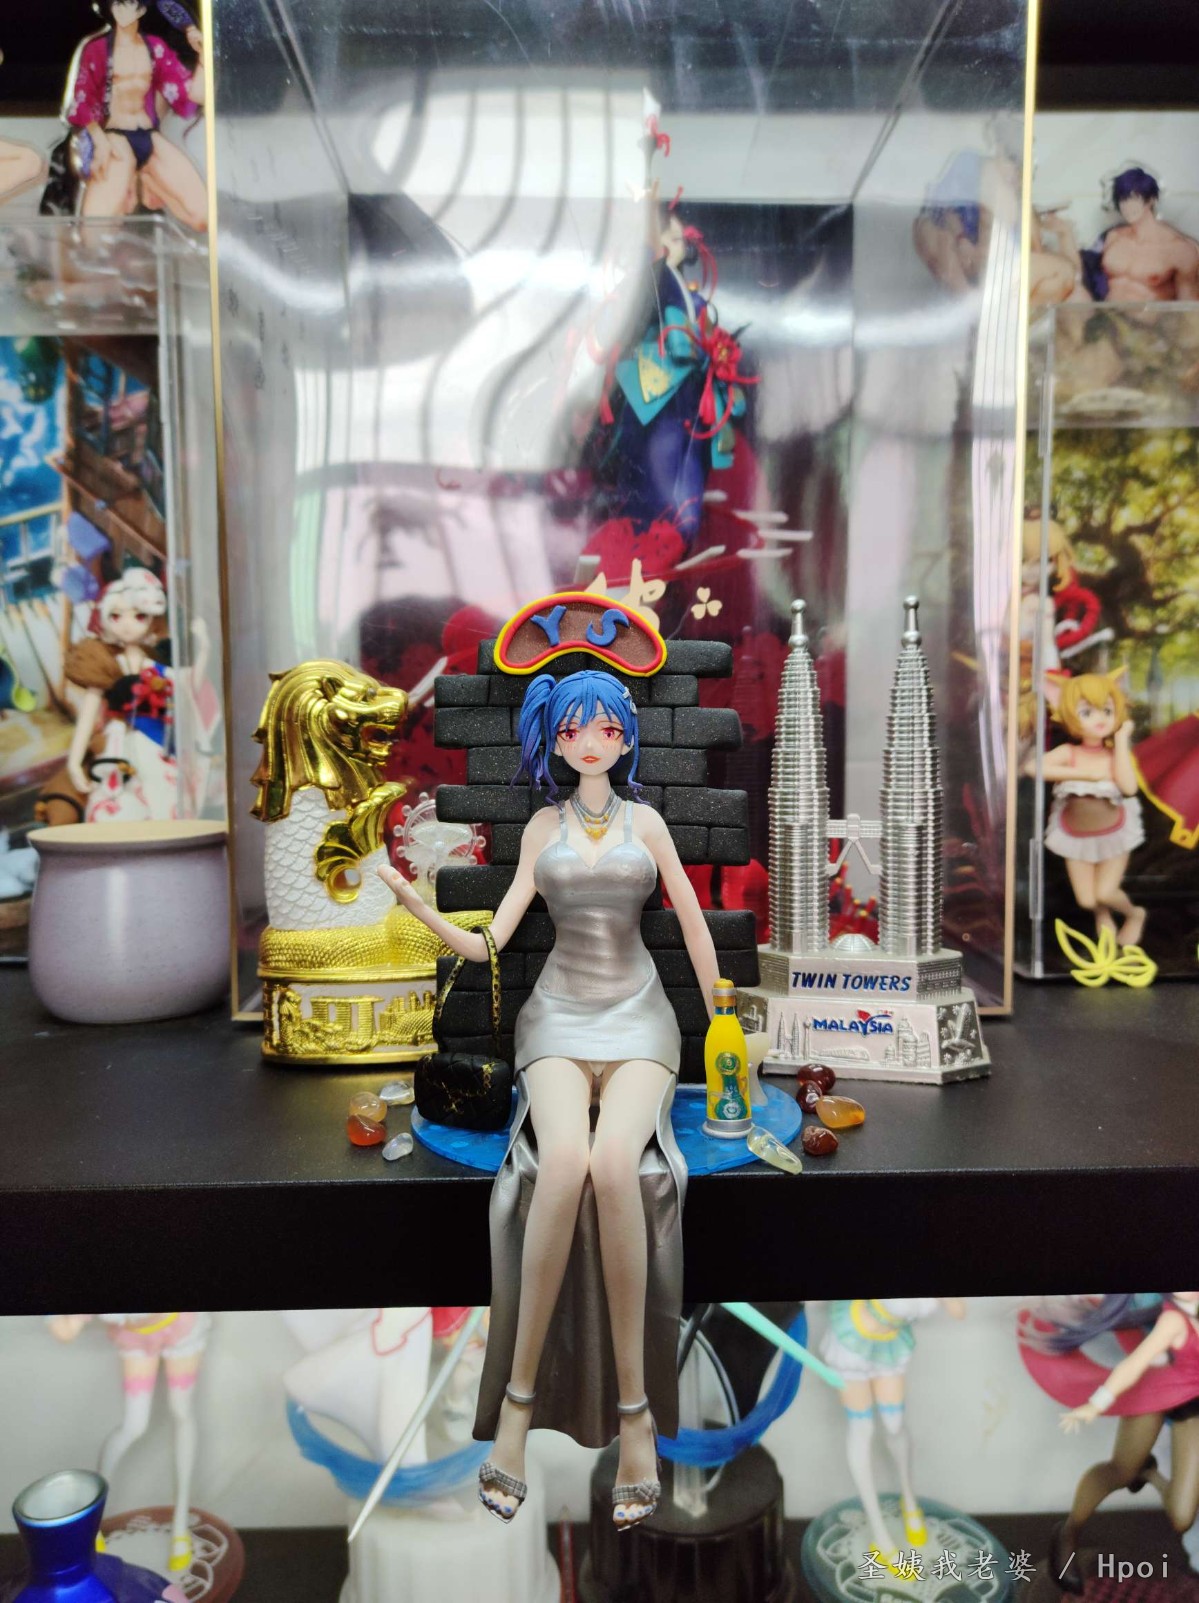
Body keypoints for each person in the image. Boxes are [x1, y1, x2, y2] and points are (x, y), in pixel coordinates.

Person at [381, 667, 719, 1530]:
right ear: (555, 741)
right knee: (562, 1160)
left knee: (615, 1162)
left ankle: (636, 1415)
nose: (589, 742)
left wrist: (723, 1012)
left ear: (625, 734)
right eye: (573, 730)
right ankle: (518, 1406)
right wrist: (412, 900)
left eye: (604, 727)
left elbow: (688, 917)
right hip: (557, 1019)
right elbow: (489, 940)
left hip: (640, 1019)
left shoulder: (647, 822)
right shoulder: (543, 826)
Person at [1020, 1294, 1199, 1594]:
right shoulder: (1173, 1320)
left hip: (1191, 1405)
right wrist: (1096, 1404)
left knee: (1182, 1516)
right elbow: (1133, 1365)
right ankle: (1069, 1531)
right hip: (1156, 1390)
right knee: (1120, 1471)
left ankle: (1149, 1473)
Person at [50, 1311, 211, 1571]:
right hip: (136, 1336)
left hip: (178, 1324)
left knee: (182, 1411)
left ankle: (180, 1523)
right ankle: (92, 1516)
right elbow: (65, 1331)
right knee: (134, 1425)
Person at [820, 1298, 966, 1565]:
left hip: (891, 1343)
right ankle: (879, 1532)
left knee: (894, 1424)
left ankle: (909, 1500)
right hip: (852, 1339)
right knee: (862, 1428)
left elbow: (959, 1312)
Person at [62, 0, 206, 229]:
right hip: (115, 139)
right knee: (95, 228)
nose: (121, 11)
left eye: (128, 4)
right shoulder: (97, 49)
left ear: (141, 8)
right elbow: (82, 100)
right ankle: (137, 181)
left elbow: (192, 96)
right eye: (116, 5)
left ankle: (146, 181)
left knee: (202, 215)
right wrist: (99, 141)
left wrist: (202, 55)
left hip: (148, 135)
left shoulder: (155, 48)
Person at [1028, 669, 1146, 946]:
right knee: (1087, 899)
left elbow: (1129, 788)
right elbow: (1033, 767)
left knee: (1105, 892)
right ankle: (1101, 916)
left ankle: (1135, 914)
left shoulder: (1114, 754)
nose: (1099, 719)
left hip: (1114, 833)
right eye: (1086, 712)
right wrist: (1085, 775)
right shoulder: (1069, 753)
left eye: (1107, 710)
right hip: (1074, 836)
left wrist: (1121, 741)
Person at [1081, 168, 1199, 302]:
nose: (1127, 207)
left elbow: (1188, 303)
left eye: (1134, 199)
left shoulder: (1180, 249)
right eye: (1123, 200)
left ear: (1151, 200)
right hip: (1106, 312)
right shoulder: (1113, 237)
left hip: (1148, 315)